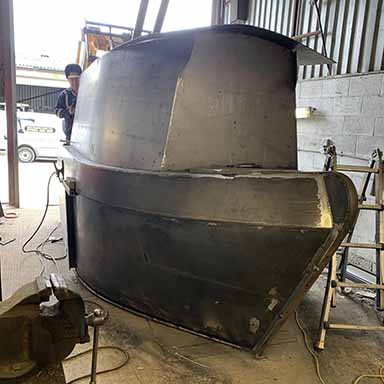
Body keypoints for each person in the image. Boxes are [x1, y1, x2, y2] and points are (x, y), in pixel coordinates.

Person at [55, 63, 82, 142]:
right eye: (71, 79)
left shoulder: (88, 93)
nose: (75, 82)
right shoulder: (64, 95)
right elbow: (56, 110)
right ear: (68, 79)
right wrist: (65, 113)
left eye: (77, 79)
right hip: (70, 135)